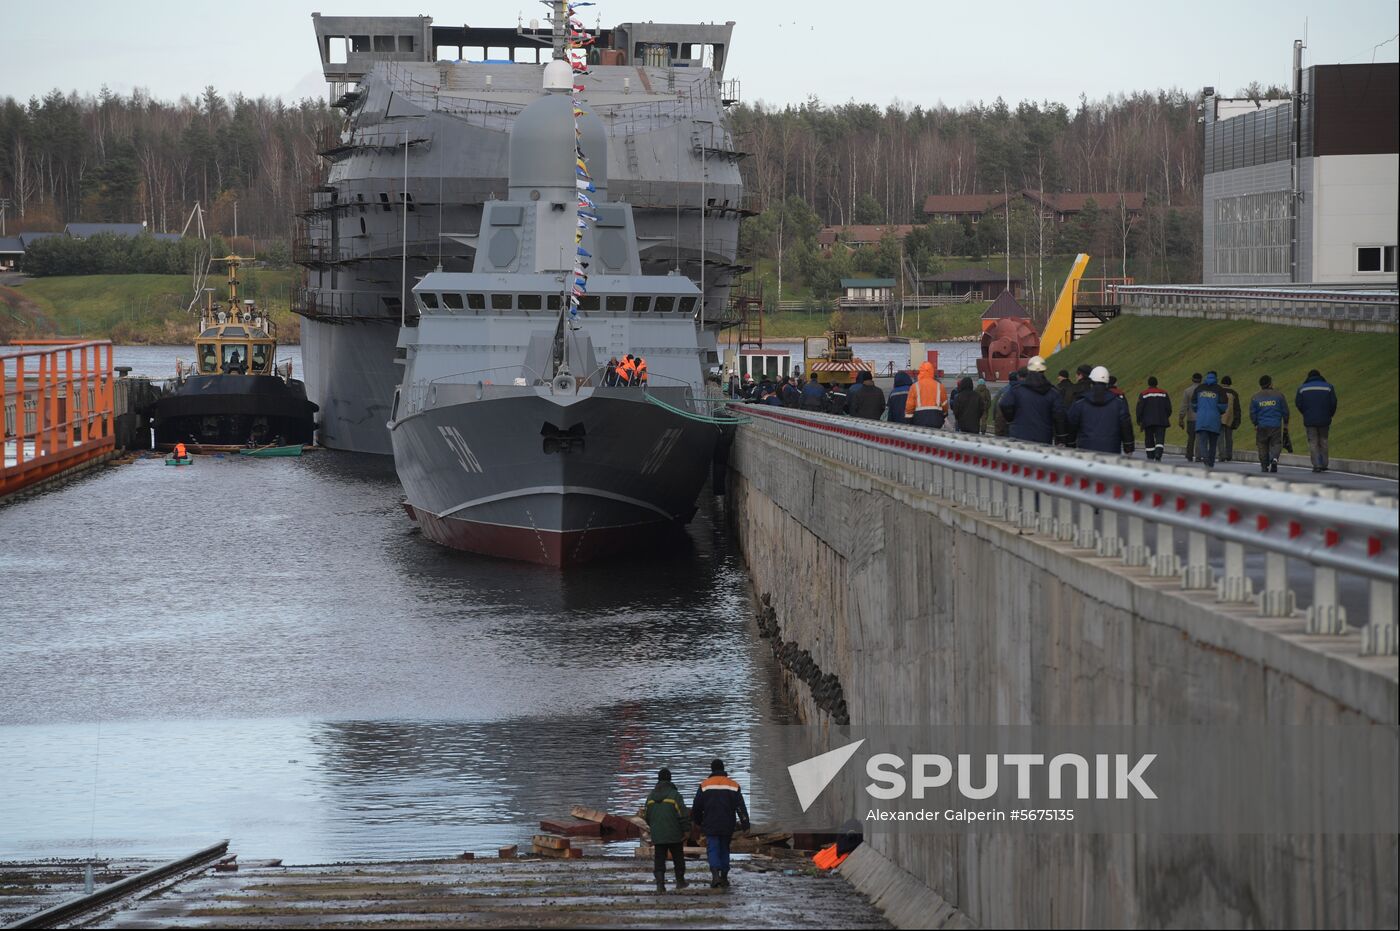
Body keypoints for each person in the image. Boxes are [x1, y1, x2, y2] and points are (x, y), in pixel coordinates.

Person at [692, 759, 749, 889]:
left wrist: (698, 821)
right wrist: (745, 822)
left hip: (710, 823)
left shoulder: (705, 785)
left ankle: (715, 875)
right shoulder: (733, 785)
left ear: (712, 770)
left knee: (713, 848)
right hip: (727, 824)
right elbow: (740, 807)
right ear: (723, 769)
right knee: (724, 849)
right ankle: (724, 876)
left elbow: (697, 806)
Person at [998, 356, 1066, 445]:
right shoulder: (1053, 393)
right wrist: (1061, 438)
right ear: (1044, 371)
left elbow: (1004, 404)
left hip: (1019, 436)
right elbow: (1059, 416)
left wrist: (1012, 419)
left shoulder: (1017, 390)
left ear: (1029, 370)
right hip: (1043, 437)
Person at [642, 767, 690, 893]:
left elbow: (646, 816)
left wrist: (655, 828)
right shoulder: (675, 796)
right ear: (670, 779)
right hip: (675, 834)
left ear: (658, 779)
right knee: (678, 858)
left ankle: (660, 884)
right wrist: (686, 831)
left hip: (658, 835)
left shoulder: (650, 797)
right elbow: (683, 815)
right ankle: (680, 882)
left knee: (659, 859)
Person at [1068, 365, 1134, 454]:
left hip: (1086, 450)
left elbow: (1071, 424)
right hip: (1111, 450)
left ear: (1091, 382)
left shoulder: (1080, 403)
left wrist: (1070, 443)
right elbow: (1126, 425)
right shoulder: (1118, 403)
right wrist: (1128, 445)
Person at [1294, 369, 1338, 473]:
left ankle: (1316, 464)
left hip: (1310, 420)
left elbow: (1298, 403)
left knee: (1313, 442)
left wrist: (1305, 413)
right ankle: (1324, 464)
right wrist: (1330, 414)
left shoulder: (1302, 388)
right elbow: (1333, 402)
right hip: (1324, 419)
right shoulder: (1328, 387)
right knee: (1323, 440)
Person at [1249, 374, 1289, 472]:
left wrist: (1255, 423)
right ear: (1270, 383)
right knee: (1276, 443)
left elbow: (1252, 413)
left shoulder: (1255, 397)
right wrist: (1286, 422)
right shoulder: (1279, 395)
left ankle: (1264, 465)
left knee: (1262, 445)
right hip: (1275, 425)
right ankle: (1274, 458)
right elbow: (1285, 411)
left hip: (1261, 425)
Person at [1192, 371, 1228, 468]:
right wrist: (1217, 411)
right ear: (1216, 378)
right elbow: (1223, 406)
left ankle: (1205, 458)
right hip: (1214, 419)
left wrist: (1200, 410)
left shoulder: (1199, 388)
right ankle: (1211, 463)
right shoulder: (1220, 390)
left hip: (1201, 419)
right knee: (1213, 443)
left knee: (1202, 441)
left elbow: (1194, 404)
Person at [1135, 376, 1173, 461]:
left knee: (1149, 439)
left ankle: (1150, 455)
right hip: (1161, 420)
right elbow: (1168, 408)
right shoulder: (1163, 393)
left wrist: (1139, 420)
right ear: (1157, 383)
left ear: (1148, 384)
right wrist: (1165, 416)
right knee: (1160, 439)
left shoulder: (1144, 394)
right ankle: (1158, 453)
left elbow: (1139, 408)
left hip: (1147, 421)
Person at [905, 361, 947, 427]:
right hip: (936, 418)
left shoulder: (914, 386)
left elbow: (909, 406)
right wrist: (944, 415)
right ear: (932, 371)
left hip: (919, 418)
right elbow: (944, 404)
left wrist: (909, 419)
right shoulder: (939, 386)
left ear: (920, 372)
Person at [1178, 373, 1203, 461]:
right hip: (1201, 417)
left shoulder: (1187, 391)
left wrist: (1181, 418)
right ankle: (1198, 456)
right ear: (1201, 380)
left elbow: (1184, 406)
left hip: (1191, 418)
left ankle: (1189, 454)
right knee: (1199, 437)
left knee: (1191, 437)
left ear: (1192, 379)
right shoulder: (1204, 391)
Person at [1218, 375, 1242, 461]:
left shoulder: (1218, 391)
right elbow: (1237, 408)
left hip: (1219, 417)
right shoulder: (1234, 393)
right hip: (1230, 418)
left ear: (1222, 383)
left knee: (1220, 437)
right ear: (1230, 383)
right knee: (1229, 437)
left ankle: (1222, 455)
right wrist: (1237, 418)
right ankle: (1229, 455)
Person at [992, 371, 1019, 436]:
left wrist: (994, 418)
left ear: (1009, 379)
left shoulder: (1002, 390)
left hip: (1002, 420)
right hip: (1015, 422)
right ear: (1017, 378)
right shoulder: (1020, 391)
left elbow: (995, 405)